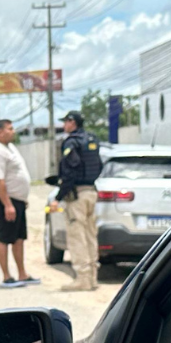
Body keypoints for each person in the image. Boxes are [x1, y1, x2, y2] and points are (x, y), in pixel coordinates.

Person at [0, 118, 37, 287]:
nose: (13, 131)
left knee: (19, 238)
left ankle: (22, 273)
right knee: (5, 238)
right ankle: (6, 276)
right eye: (10, 129)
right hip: (5, 201)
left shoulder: (10, 148)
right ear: (0, 132)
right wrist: (7, 204)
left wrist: (22, 199)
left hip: (17, 201)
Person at [56, 110, 103, 291]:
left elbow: (70, 171)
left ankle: (82, 278)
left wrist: (59, 196)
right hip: (91, 191)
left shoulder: (71, 142)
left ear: (72, 122)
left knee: (77, 236)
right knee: (91, 235)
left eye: (66, 122)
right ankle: (93, 277)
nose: (64, 126)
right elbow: (99, 166)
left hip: (77, 196)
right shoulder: (91, 139)